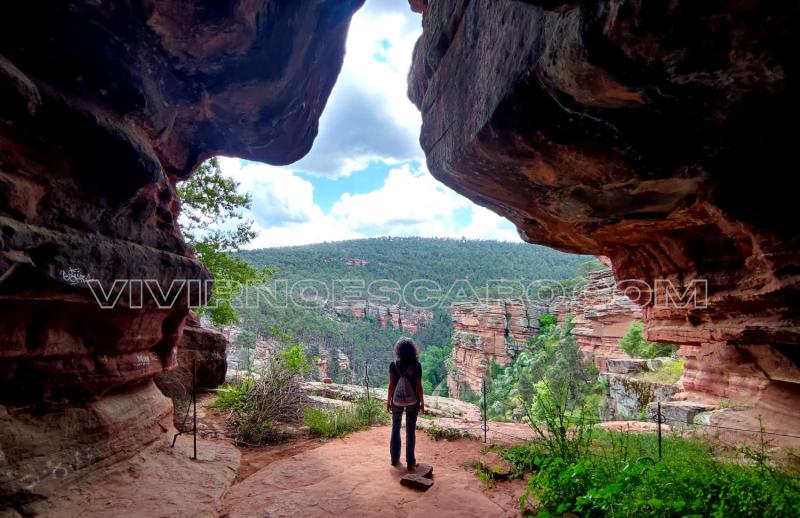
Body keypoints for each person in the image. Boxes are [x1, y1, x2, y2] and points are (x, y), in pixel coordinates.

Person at [387, 337, 425, 470]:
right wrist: (422, 403)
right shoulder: (417, 366)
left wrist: (389, 401)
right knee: (410, 431)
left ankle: (394, 459)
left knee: (395, 428)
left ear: (398, 351)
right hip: (413, 401)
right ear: (413, 351)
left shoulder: (393, 365)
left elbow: (391, 386)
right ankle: (410, 462)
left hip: (397, 400)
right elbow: (419, 387)